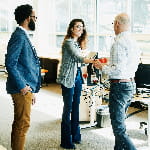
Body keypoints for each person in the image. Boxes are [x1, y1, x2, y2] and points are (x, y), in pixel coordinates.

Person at [94, 13, 140, 150]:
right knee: (120, 124)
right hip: (130, 84)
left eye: (113, 23)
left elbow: (117, 70)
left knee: (118, 128)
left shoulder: (118, 42)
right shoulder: (133, 42)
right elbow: (129, 65)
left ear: (117, 24)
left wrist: (102, 67)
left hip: (119, 86)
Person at [5, 4, 41, 150]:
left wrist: (30, 88)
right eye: (34, 17)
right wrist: (23, 86)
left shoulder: (23, 35)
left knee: (20, 123)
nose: (36, 20)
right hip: (21, 88)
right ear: (28, 18)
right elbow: (10, 63)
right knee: (23, 124)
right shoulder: (19, 36)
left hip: (26, 86)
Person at [57, 19, 94, 149]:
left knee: (76, 107)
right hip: (68, 78)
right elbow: (78, 57)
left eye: (82, 27)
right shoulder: (68, 43)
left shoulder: (77, 43)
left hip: (77, 76)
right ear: (71, 29)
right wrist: (94, 61)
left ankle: (75, 136)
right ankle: (66, 141)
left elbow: (79, 62)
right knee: (68, 109)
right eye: (78, 27)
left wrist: (86, 66)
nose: (80, 29)